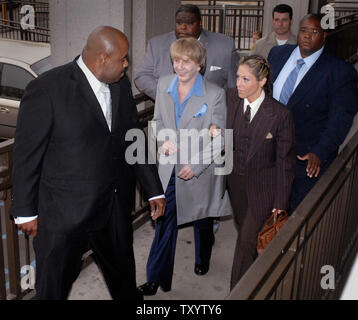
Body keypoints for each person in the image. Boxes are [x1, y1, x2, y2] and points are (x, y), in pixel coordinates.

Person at [10, 26, 166, 300]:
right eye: (124, 59)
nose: (127, 65)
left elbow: (133, 138)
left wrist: (154, 188)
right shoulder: (47, 89)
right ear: (104, 58)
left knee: (125, 285)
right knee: (53, 290)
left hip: (113, 211)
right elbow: (26, 154)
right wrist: (25, 211)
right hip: (64, 217)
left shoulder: (119, 85)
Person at [137, 37, 232, 296]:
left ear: (200, 64)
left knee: (201, 218)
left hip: (200, 169)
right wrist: (164, 141)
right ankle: (156, 278)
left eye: (187, 61)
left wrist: (197, 165)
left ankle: (203, 257)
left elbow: (220, 135)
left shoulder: (214, 94)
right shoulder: (164, 84)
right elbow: (157, 121)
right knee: (164, 219)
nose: (180, 66)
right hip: (170, 167)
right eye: (176, 60)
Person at [268, 14, 358, 213]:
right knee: (265, 210)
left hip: (304, 159)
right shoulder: (277, 54)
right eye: (303, 30)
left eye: (314, 32)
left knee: (294, 218)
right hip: (269, 153)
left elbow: (340, 120)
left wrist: (320, 152)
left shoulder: (339, 72)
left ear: (324, 36)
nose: (307, 36)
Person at [226, 55, 296, 289]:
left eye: (245, 79)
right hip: (235, 182)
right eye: (237, 77)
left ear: (263, 81)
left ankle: (237, 293)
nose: (238, 83)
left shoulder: (279, 115)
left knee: (245, 242)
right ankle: (260, 277)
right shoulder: (230, 101)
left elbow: (284, 162)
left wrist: (281, 201)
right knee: (248, 235)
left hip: (264, 188)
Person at [134, 3, 239, 100]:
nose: (183, 27)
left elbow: (233, 87)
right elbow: (142, 76)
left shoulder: (224, 46)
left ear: (200, 24)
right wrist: (166, 96)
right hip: (169, 114)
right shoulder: (157, 45)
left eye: (189, 23)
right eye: (179, 23)